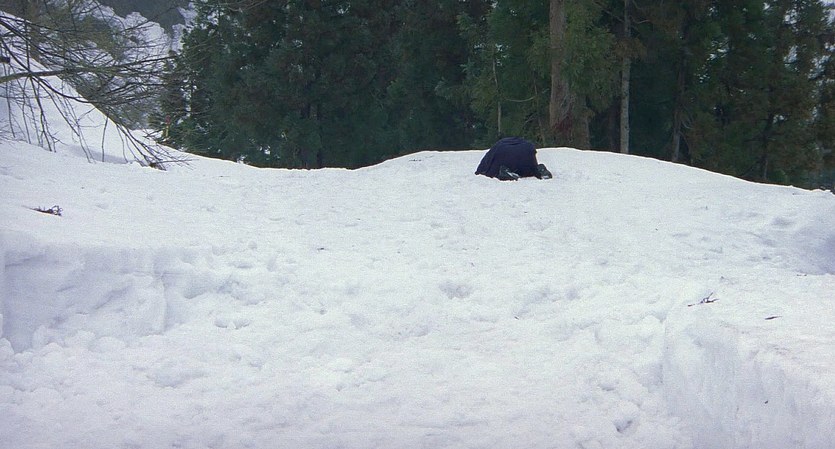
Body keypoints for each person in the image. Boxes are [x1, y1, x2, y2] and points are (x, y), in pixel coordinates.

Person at [474, 137, 552, 181]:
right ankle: (539, 170)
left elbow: (485, 164)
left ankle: (505, 171)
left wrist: (480, 171)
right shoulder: (526, 145)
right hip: (527, 160)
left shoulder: (498, 147)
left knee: (496, 168)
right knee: (532, 169)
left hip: (505, 157)